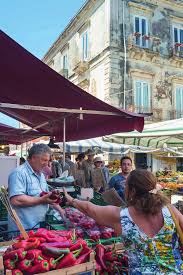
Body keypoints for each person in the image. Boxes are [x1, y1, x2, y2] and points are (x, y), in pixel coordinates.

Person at [63, 169, 183, 274]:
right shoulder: (170, 211)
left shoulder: (122, 216)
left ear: (132, 191)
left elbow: (90, 209)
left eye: (126, 186)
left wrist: (71, 199)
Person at [8, 143, 64, 231]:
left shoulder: (41, 175)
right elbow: (16, 200)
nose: (47, 164)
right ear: (33, 158)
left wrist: (61, 211)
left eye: (48, 161)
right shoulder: (19, 173)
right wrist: (42, 200)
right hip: (23, 230)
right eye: (44, 160)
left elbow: (44, 196)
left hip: (38, 228)